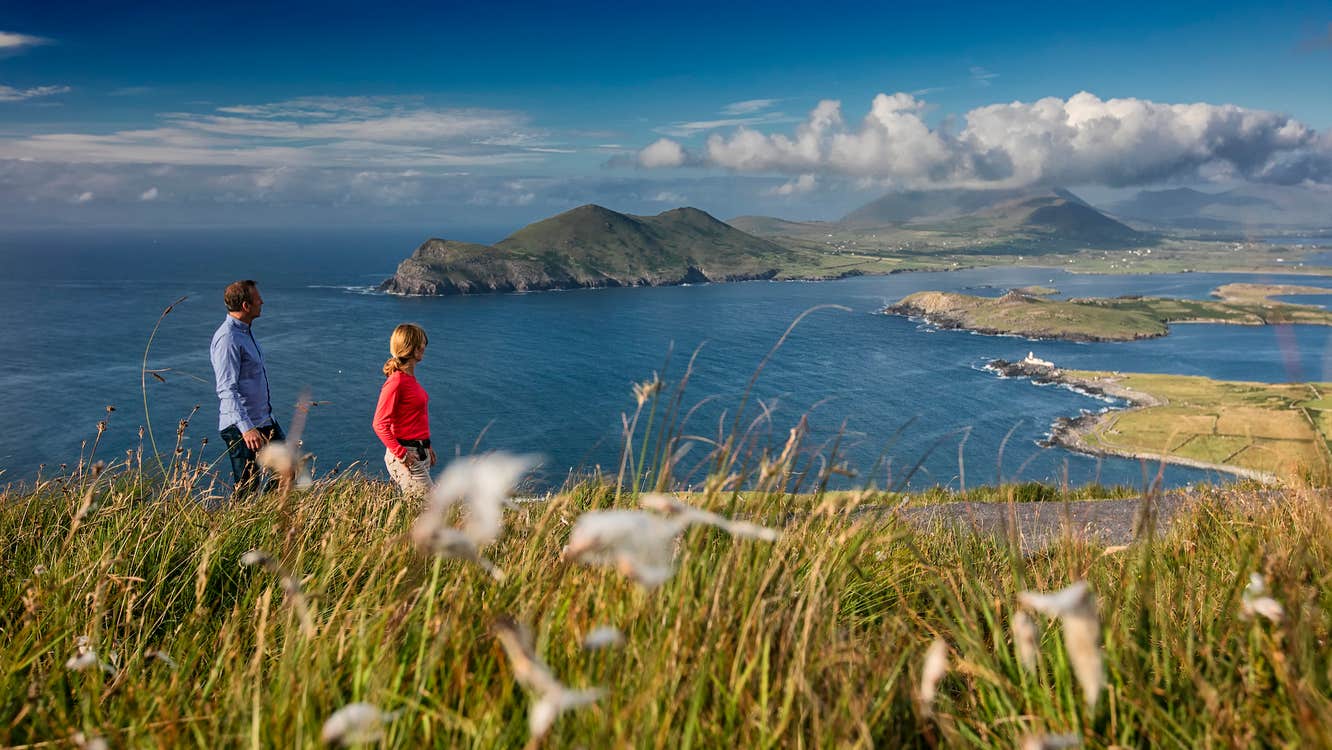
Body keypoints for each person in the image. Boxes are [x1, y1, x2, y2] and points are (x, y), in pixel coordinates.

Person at [210, 279, 283, 498]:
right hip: (243, 427)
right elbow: (226, 389)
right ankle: (244, 526)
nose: (262, 301)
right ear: (245, 306)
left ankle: (269, 521)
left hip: (263, 421)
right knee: (247, 489)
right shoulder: (228, 339)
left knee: (287, 471)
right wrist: (246, 428)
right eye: (257, 298)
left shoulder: (244, 333)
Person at [373, 323, 436, 497]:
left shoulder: (409, 379)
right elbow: (379, 424)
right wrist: (401, 454)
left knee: (423, 511)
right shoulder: (396, 382)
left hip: (418, 453)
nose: (424, 347)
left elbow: (415, 418)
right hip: (406, 456)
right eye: (421, 343)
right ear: (411, 348)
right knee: (430, 509)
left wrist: (427, 446)